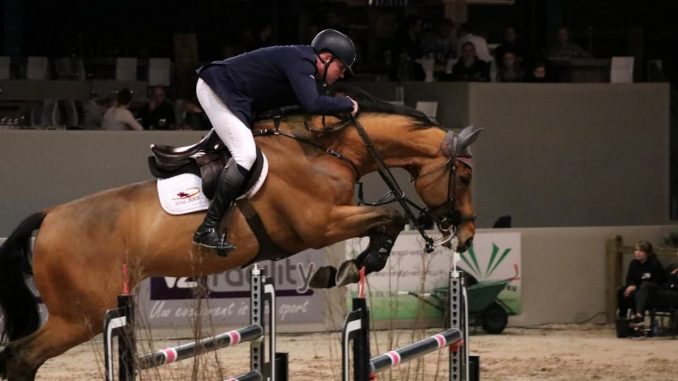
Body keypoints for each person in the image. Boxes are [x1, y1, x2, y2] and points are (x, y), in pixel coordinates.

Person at [192, 28, 358, 252]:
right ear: (326, 58)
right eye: (341, 67)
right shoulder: (301, 61)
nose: (342, 75)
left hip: (237, 97)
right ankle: (207, 227)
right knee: (246, 154)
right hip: (217, 88)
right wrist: (347, 103)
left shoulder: (307, 70)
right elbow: (312, 104)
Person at [616, 240, 666, 322]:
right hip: (636, 287)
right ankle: (623, 318)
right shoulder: (633, 263)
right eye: (636, 250)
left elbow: (657, 281)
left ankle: (638, 315)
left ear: (647, 253)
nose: (637, 253)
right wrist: (631, 286)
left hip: (651, 289)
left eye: (641, 251)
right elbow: (629, 278)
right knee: (622, 291)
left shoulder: (655, 264)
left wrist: (635, 287)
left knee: (644, 286)